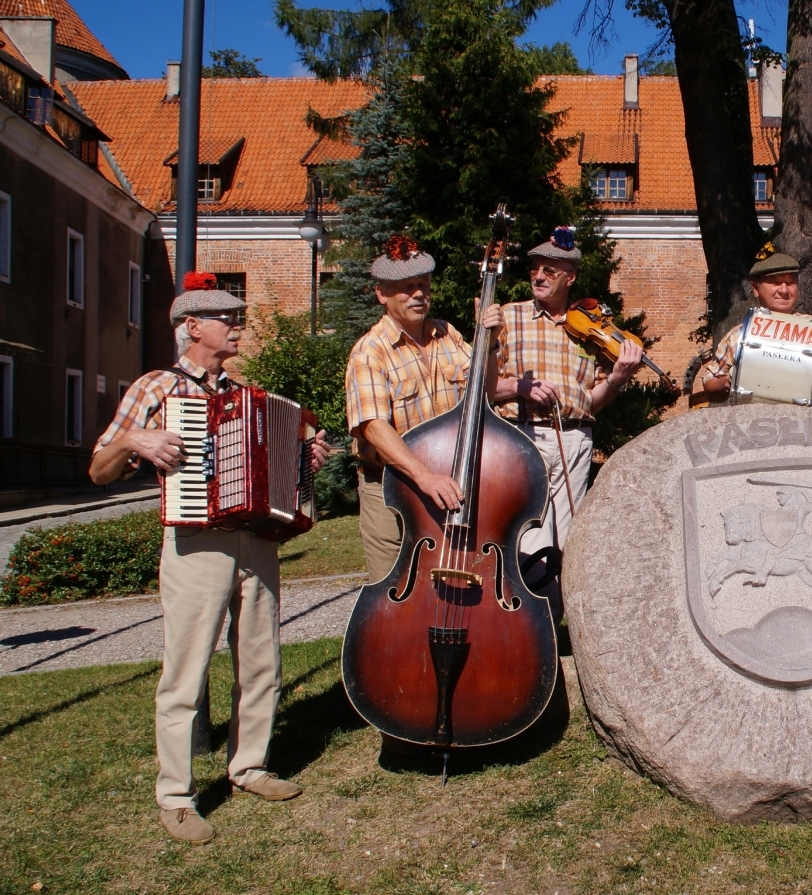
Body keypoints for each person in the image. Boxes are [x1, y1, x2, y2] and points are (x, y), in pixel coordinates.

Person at [89, 272, 331, 844]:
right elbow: (99, 468)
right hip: (196, 542)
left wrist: (307, 457)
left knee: (262, 661)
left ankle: (249, 766)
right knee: (186, 672)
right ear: (192, 327)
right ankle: (176, 795)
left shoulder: (247, 395)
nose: (237, 325)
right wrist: (134, 441)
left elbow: (286, 457)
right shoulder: (156, 387)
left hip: (257, 540)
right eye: (227, 317)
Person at [345, 235, 504, 584]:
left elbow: (485, 394)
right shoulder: (369, 352)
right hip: (392, 486)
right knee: (395, 587)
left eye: (424, 285)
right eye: (407, 287)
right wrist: (424, 477)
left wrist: (489, 344)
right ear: (382, 294)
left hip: (447, 485)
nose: (418, 294)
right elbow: (374, 428)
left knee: (446, 586)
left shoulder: (448, 335)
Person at [492, 226, 642, 574]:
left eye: (549, 271)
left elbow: (593, 403)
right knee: (527, 533)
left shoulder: (590, 327)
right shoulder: (509, 317)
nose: (538, 277)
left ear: (570, 277)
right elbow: (482, 388)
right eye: (535, 269)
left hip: (575, 438)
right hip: (523, 433)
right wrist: (519, 386)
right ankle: (524, 603)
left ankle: (554, 605)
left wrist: (618, 378)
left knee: (567, 537)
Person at [699, 245, 812, 403]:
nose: (783, 290)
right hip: (756, 422)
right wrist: (726, 381)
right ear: (755, 288)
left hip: (808, 423)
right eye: (775, 282)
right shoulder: (740, 335)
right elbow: (710, 385)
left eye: (790, 283)